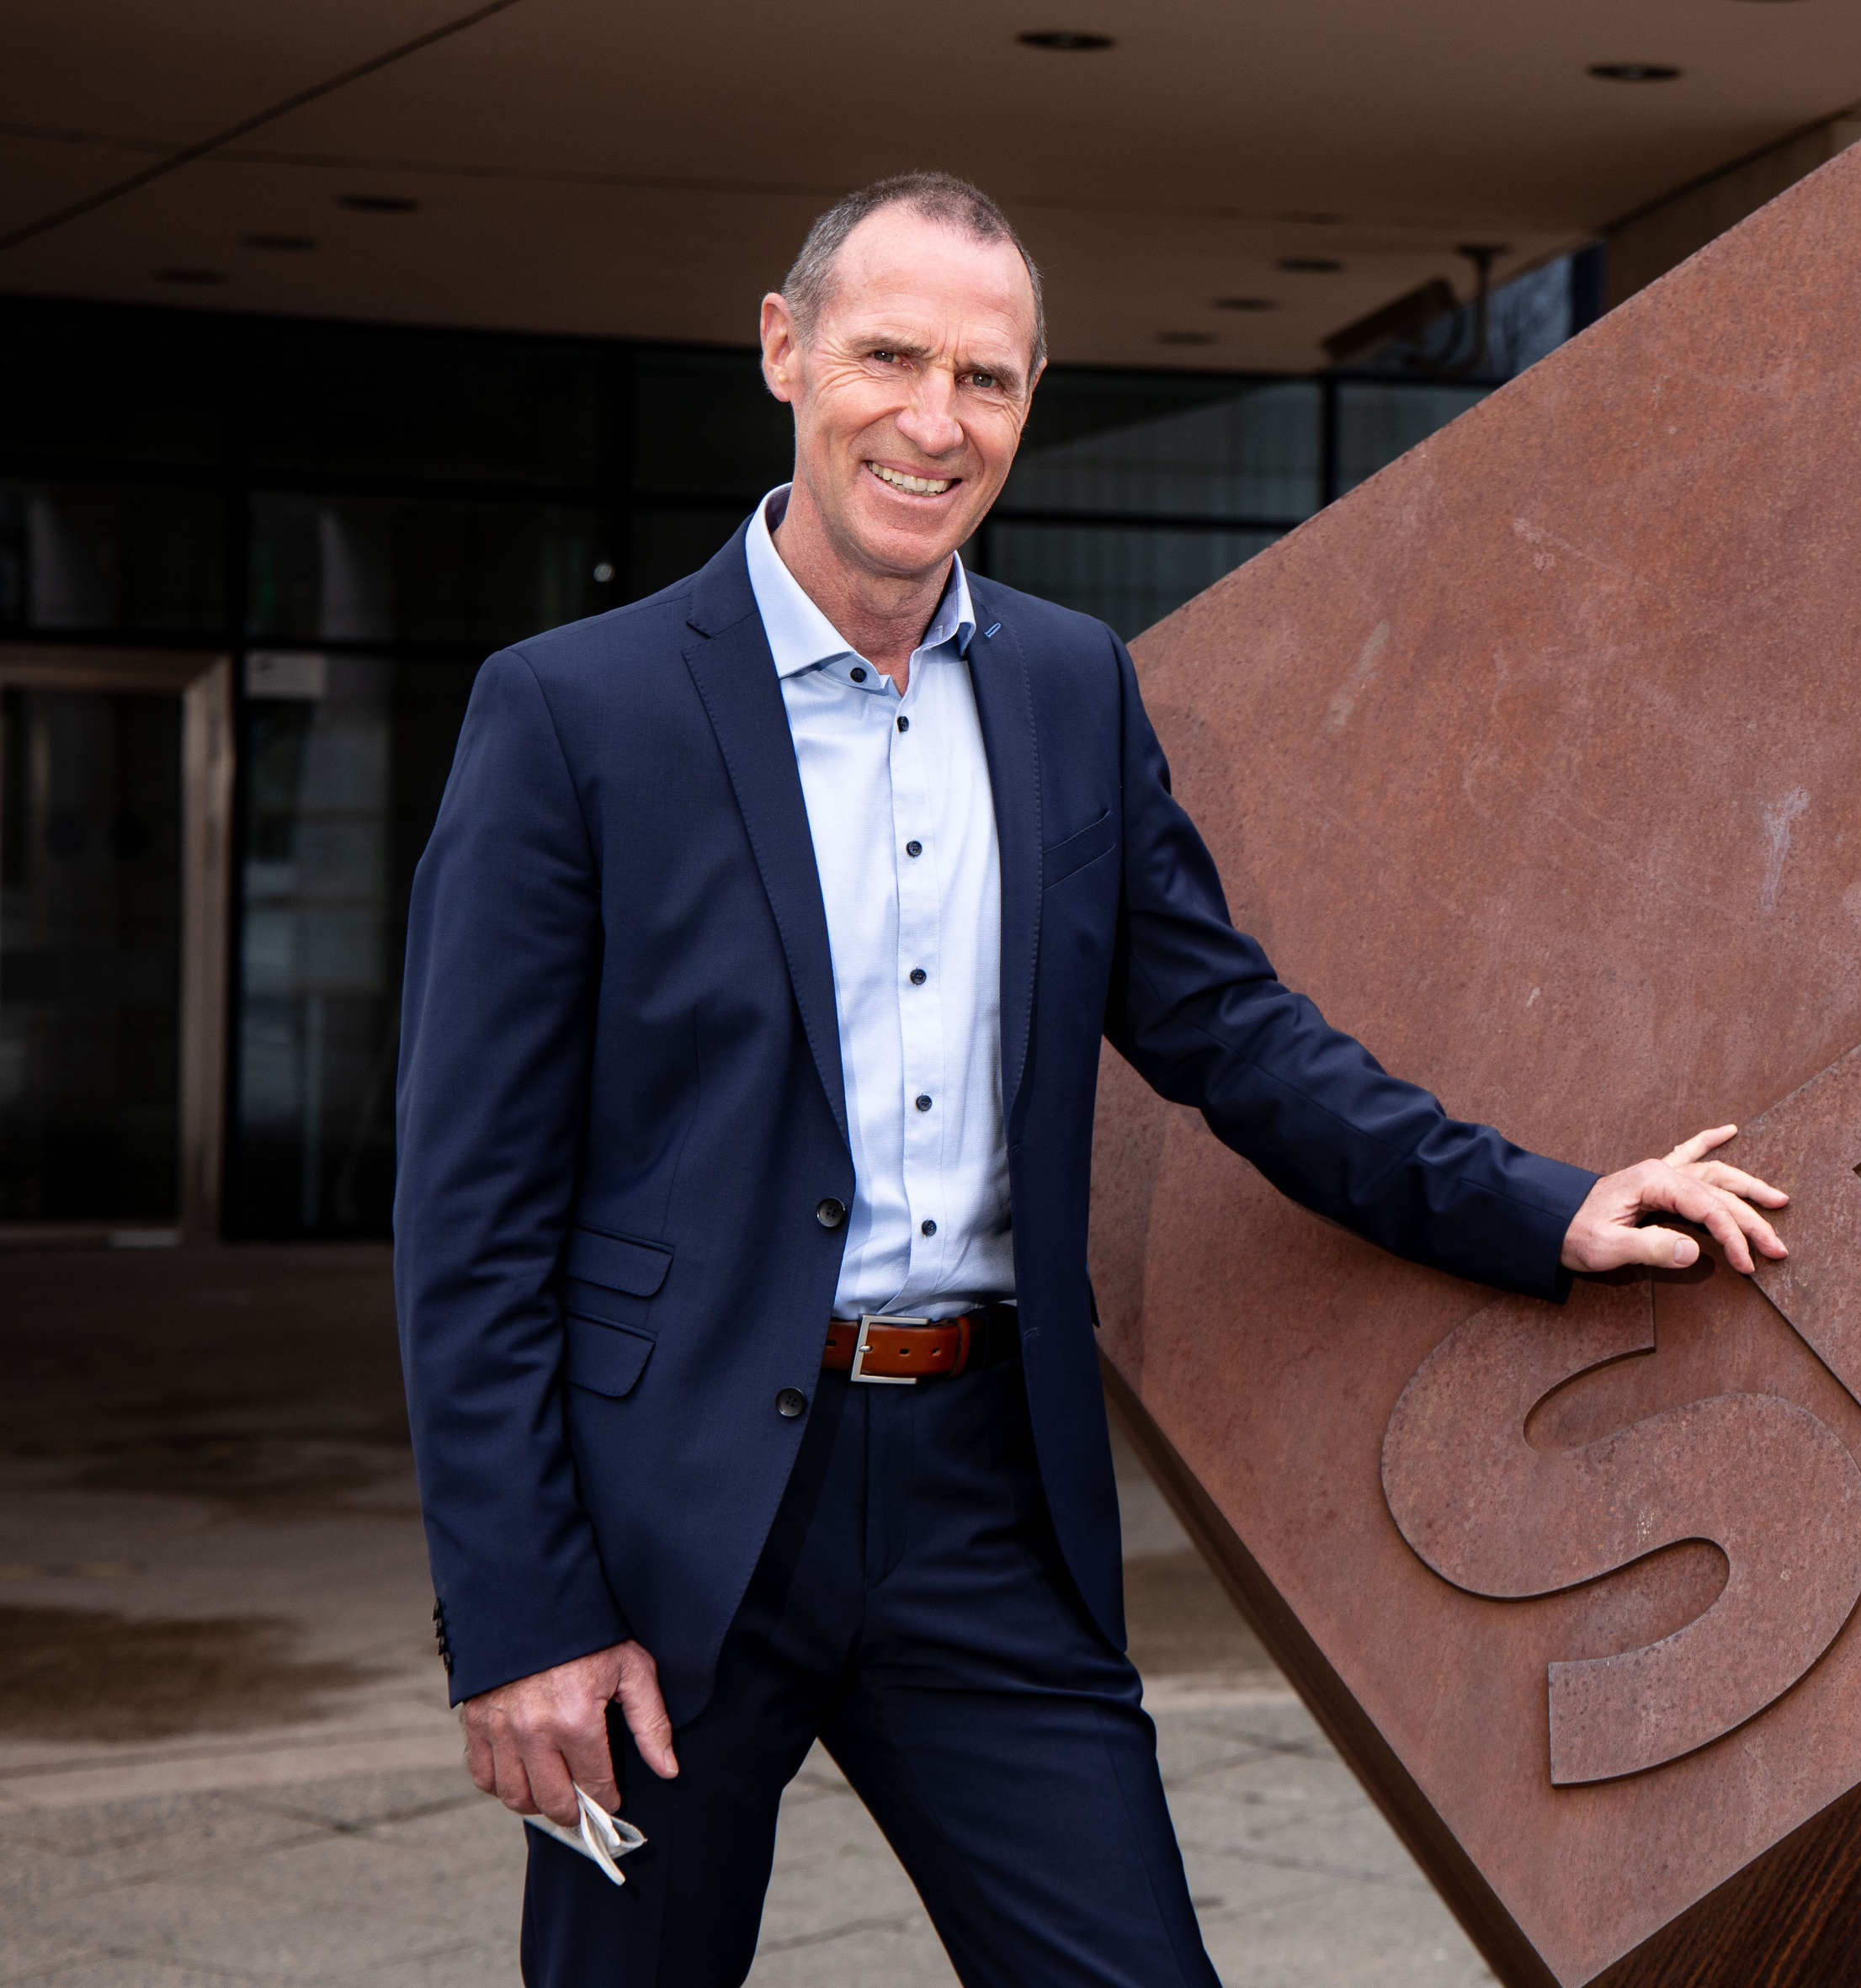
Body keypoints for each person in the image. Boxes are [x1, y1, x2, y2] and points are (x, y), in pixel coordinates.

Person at [393, 170, 1789, 1987]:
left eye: (985, 377)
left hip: (984, 1492)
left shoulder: (1068, 689)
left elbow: (1235, 1035)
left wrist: (1553, 1202)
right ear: (784, 350)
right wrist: (522, 1617)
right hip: (669, 1522)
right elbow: (468, 1216)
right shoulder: (574, 712)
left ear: (1028, 401)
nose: (932, 418)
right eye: (889, 357)